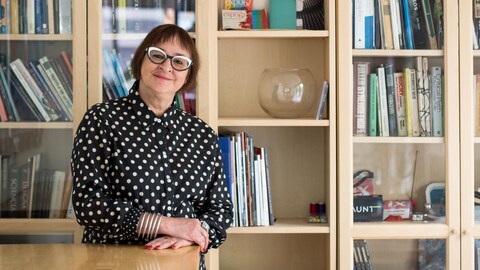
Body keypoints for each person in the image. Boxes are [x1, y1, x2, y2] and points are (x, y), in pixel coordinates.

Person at [70, 24, 233, 269]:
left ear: (188, 74)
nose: (167, 66)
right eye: (157, 55)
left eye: (179, 61)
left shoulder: (202, 135)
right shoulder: (101, 120)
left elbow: (221, 210)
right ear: (140, 59)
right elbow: (88, 206)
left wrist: (189, 234)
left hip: (182, 263)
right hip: (112, 263)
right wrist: (167, 224)